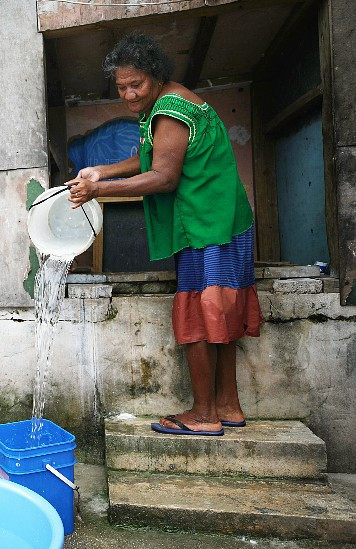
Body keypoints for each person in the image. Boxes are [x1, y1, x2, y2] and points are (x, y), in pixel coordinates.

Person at [66, 34, 263, 436]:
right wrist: (100, 170)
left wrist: (97, 191)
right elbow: (152, 155)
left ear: (155, 76)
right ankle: (228, 405)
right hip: (222, 221)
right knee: (220, 312)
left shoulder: (170, 109)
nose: (128, 94)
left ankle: (204, 416)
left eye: (135, 84)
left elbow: (163, 176)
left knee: (199, 314)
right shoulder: (168, 102)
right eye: (121, 87)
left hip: (206, 224)